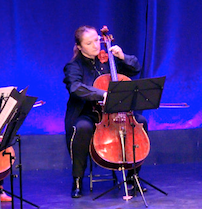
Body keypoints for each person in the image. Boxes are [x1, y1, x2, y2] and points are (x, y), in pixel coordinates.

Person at [63, 25, 148, 198]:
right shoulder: (74, 66)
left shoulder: (108, 59)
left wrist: (123, 56)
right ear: (79, 47)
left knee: (141, 123)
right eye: (89, 43)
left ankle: (134, 176)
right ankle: (77, 180)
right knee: (82, 128)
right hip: (86, 112)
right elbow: (75, 87)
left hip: (115, 113)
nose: (96, 45)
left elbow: (135, 68)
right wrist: (103, 94)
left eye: (97, 40)